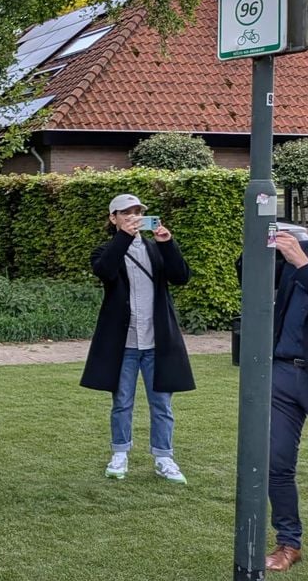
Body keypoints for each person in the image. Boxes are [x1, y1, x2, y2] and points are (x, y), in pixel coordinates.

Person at [81, 193, 193, 484]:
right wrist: (124, 238)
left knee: (162, 405)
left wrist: (168, 243)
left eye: (137, 212)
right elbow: (105, 270)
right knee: (122, 402)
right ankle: (120, 454)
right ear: (113, 218)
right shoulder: (105, 250)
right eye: (126, 212)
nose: (133, 216)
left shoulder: (156, 250)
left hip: (157, 342)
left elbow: (181, 276)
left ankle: (164, 457)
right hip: (124, 344)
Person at [263, 204, 308, 572]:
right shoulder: (305, 253)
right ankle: (289, 543)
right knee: (276, 463)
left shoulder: (303, 258)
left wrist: (300, 262)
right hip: (283, 374)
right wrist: (256, 244)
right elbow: (251, 278)